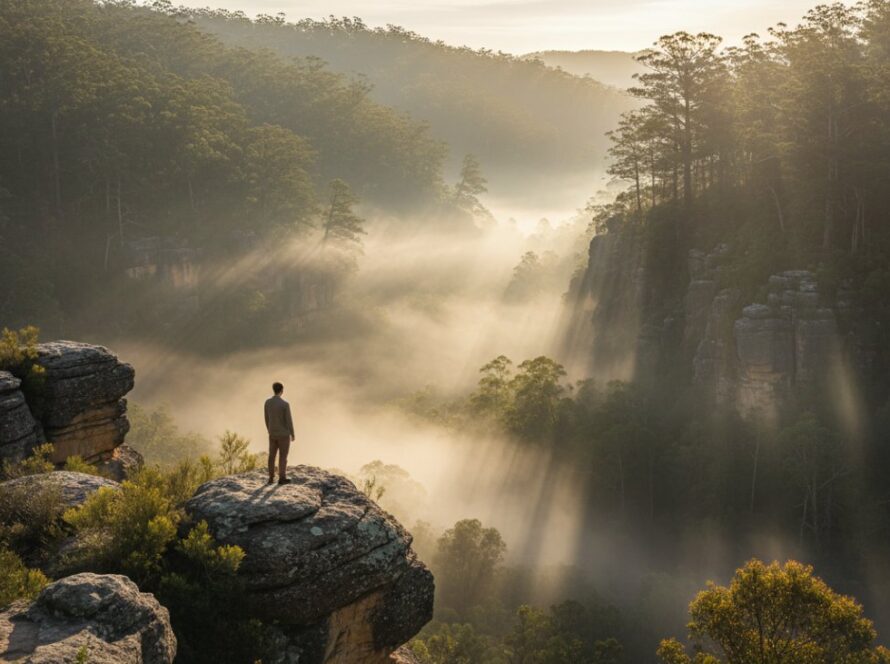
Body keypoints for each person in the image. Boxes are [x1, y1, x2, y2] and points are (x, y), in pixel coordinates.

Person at [264, 382, 294, 485]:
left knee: (271, 456)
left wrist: (269, 430)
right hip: (283, 434)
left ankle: (271, 478)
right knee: (283, 456)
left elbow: (266, 418)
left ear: (273, 390)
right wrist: (292, 433)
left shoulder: (267, 402)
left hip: (272, 433)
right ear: (282, 390)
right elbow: (289, 421)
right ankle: (282, 478)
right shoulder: (285, 404)